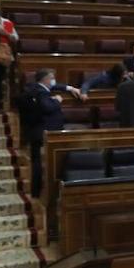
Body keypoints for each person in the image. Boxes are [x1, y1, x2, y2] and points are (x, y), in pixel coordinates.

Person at [21, 68, 86, 196]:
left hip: (35, 131)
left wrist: (69, 88)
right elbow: (47, 107)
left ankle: (36, 191)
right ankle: (38, 191)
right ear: (45, 80)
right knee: (40, 163)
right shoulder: (41, 93)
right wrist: (56, 100)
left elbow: (56, 86)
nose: (53, 81)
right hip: (43, 132)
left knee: (36, 162)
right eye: (51, 78)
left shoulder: (35, 87)